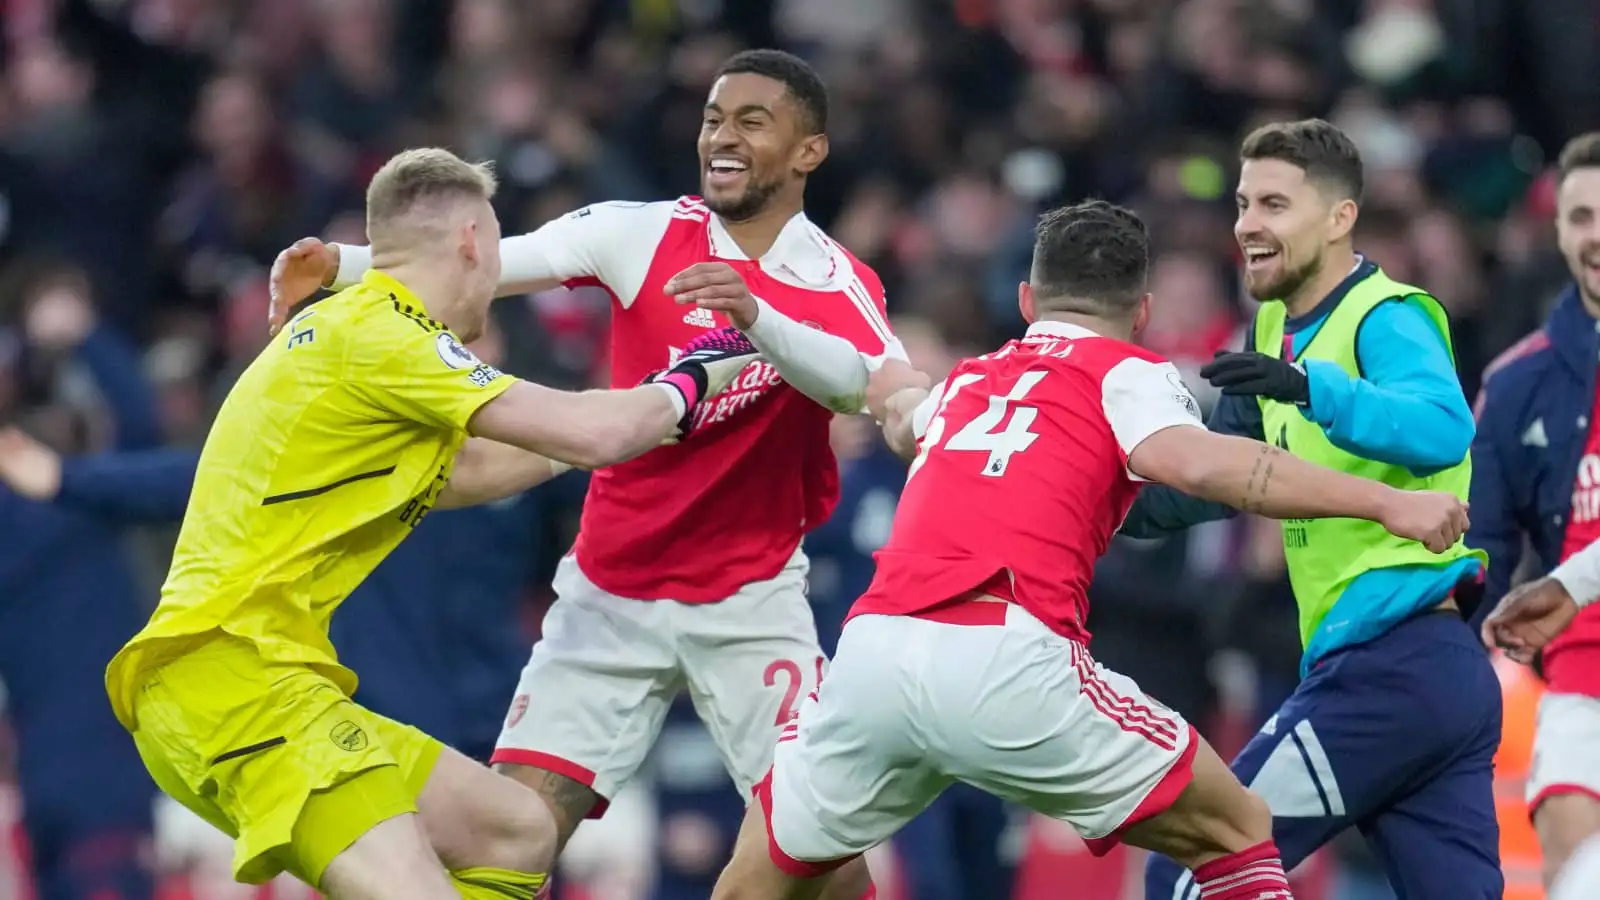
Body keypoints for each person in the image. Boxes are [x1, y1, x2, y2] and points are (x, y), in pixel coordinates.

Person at [707, 199, 1472, 900]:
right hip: (1005, 652)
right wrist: (1389, 501)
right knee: (1236, 829)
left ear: (1027, 303)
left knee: (760, 880)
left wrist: (761, 321)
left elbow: (883, 395)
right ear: (1139, 313)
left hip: (874, 654)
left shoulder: (970, 380)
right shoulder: (1127, 372)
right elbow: (1203, 463)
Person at [268, 49, 895, 899]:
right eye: (715, 117)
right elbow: (499, 259)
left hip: (750, 600)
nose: (724, 135)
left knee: (822, 859)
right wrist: (340, 266)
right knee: (510, 838)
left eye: (754, 120)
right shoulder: (639, 234)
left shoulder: (840, 287)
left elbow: (882, 387)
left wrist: (777, 328)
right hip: (610, 591)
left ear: (809, 152)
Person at [102, 146, 761, 900]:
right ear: (474, 243)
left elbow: (476, 472)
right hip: (237, 685)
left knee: (515, 833)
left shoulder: (360, 337)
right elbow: (592, 432)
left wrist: (642, 417)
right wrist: (710, 369)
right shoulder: (384, 335)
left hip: (252, 686)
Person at [1125, 119, 1502, 899]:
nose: (1246, 225)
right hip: (1426, 676)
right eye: (1241, 203)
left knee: (1196, 866)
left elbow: (1443, 427)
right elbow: (1218, 475)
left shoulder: (1386, 314)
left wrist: (1310, 390)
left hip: (1388, 666)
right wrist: (1105, 507)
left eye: (1273, 204)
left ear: (1339, 218)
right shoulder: (1272, 329)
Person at [1470, 131, 1600, 892]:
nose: (1597, 236)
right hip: (1579, 669)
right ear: (1557, 230)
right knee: (1574, 870)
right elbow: (1481, 550)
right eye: (1581, 216)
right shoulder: (1519, 384)